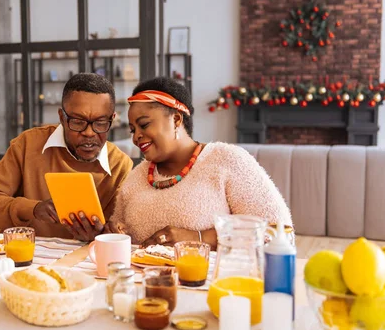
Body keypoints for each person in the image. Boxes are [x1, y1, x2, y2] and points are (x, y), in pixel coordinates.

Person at [109, 77, 292, 249]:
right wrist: (111, 231)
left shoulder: (226, 160)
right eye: (132, 130)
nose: (136, 136)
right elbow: (121, 236)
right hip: (146, 282)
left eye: (144, 124)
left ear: (176, 119)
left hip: (213, 281)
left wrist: (199, 238)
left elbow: (279, 232)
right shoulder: (135, 178)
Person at [0, 73, 133, 241]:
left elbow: (118, 233)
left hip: (81, 263)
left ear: (112, 119)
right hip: (21, 258)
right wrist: (32, 209)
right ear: (62, 117)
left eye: (100, 123)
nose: (89, 132)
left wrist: (98, 236)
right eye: (77, 122)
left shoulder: (120, 165)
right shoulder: (28, 144)